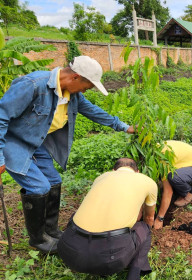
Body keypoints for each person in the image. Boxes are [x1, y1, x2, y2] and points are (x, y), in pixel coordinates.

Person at [0, 56, 136, 253]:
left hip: (37, 142)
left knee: (54, 181)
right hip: (13, 143)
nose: (84, 92)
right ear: (75, 77)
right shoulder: (34, 85)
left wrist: (124, 127)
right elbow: (1, 116)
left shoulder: (72, 95)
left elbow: (94, 111)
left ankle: (51, 230)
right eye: (86, 87)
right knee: (39, 187)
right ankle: (38, 239)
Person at [58, 158, 156, 279]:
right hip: (110, 258)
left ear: (113, 170)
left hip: (69, 251)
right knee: (145, 227)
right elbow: (149, 217)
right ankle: (134, 275)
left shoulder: (101, 177)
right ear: (138, 171)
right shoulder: (147, 181)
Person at [153, 140, 192, 230]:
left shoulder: (162, 157)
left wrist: (160, 219)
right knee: (168, 178)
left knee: (172, 176)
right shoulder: (156, 147)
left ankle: (190, 192)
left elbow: (168, 192)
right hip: (189, 166)